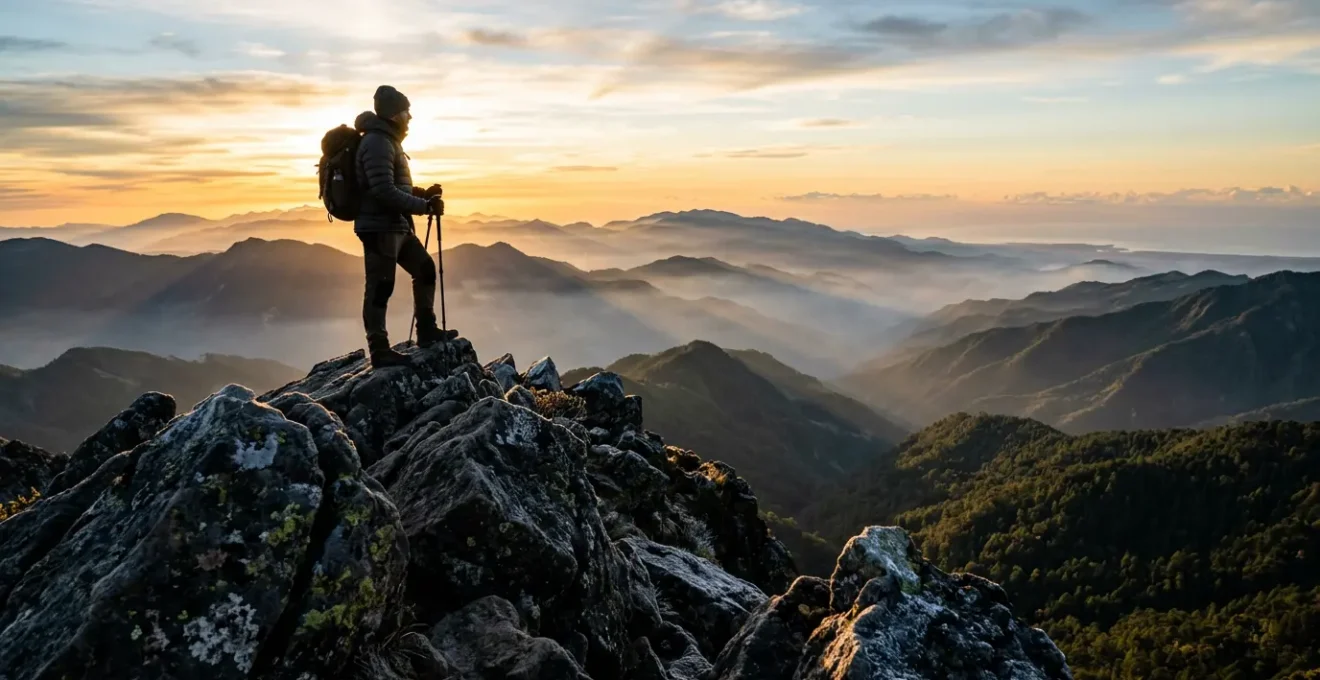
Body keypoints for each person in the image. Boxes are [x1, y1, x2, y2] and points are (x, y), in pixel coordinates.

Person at [353, 85, 455, 367]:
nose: (410, 116)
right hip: (379, 228)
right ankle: (379, 350)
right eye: (406, 111)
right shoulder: (376, 142)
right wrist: (423, 207)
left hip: (395, 226)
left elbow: (397, 186)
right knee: (380, 287)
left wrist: (423, 193)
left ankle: (426, 331)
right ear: (394, 114)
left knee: (424, 269)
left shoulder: (388, 141)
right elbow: (383, 191)